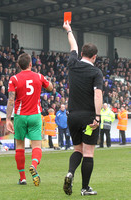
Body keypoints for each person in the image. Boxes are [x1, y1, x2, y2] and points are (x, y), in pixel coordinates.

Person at [62, 21, 103, 196]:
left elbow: (73, 44)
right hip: (88, 118)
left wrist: (68, 29)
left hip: (72, 116)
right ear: (94, 57)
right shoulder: (96, 73)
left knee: (77, 149)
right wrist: (98, 116)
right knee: (88, 152)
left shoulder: (73, 63)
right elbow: (98, 95)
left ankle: (70, 172)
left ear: (81, 54)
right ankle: (85, 188)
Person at [6, 53, 53, 186]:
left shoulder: (14, 79)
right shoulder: (38, 76)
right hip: (35, 115)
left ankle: (23, 178)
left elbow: (11, 100)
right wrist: (44, 82)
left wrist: (8, 119)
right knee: (36, 146)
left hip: (20, 116)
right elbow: (50, 88)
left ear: (19, 65)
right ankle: (33, 165)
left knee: (20, 146)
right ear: (31, 64)